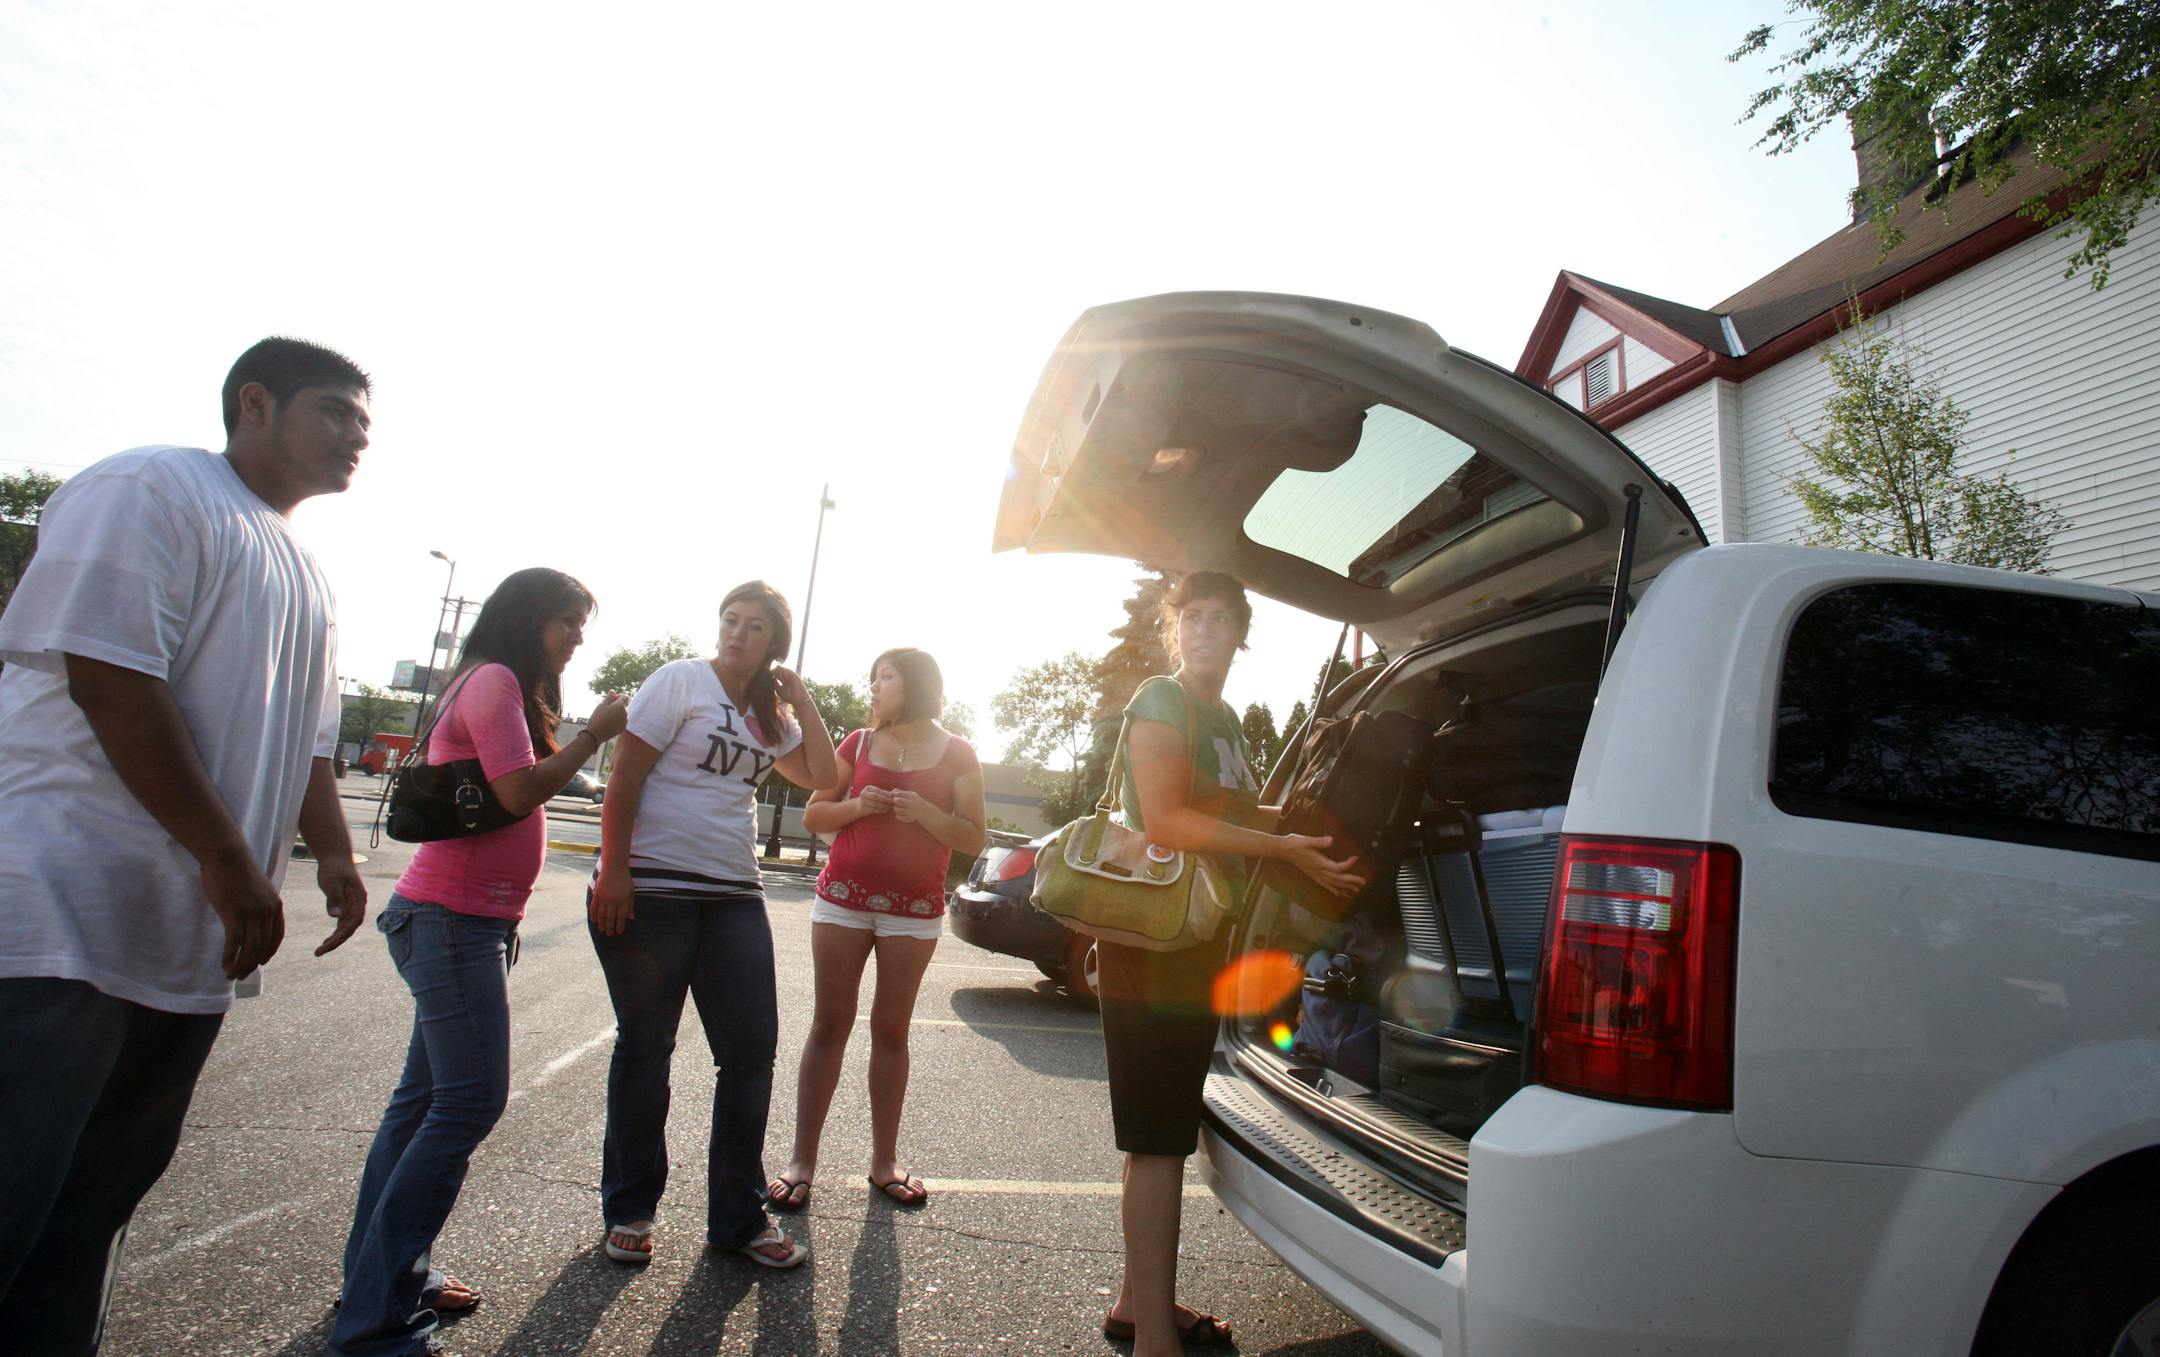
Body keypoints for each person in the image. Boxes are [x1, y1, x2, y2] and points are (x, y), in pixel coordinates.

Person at [0, 337, 374, 1355]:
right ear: (255, 402)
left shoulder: (307, 570)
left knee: (84, 1223)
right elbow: (111, 676)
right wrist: (225, 856)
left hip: (183, 949)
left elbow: (305, 737)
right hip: (55, 920)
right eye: (337, 410)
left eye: (366, 422)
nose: (359, 435)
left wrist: (334, 853)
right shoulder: (149, 486)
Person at [330, 569, 628, 1357]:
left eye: (581, 623)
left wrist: (506, 915)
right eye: (566, 620)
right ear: (527, 618)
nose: (576, 636)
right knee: (465, 1105)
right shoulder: (494, 680)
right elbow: (517, 791)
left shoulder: (498, 681)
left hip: (466, 919)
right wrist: (597, 733)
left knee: (420, 1105)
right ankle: (377, 1324)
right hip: (451, 919)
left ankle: (386, 1277)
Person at [1095, 571, 1367, 1355]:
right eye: (1193, 616)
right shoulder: (1162, 698)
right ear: (1173, 626)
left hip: (1194, 943)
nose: (1206, 629)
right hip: (1151, 942)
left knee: (1162, 1128)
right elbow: (1172, 819)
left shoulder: (1221, 720)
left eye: (1222, 618)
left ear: (1242, 631)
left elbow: (1242, 810)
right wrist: (1281, 846)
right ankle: (1154, 1337)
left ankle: (1134, 1304)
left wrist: (1319, 825)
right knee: (1157, 1139)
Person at [587, 581, 838, 1270]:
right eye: (730, 620)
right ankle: (631, 1208)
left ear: (773, 643)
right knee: (646, 1047)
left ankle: (736, 1215)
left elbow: (825, 775)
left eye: (755, 626)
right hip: (652, 889)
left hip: (733, 893)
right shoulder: (679, 681)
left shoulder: (768, 714)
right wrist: (614, 870)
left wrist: (802, 697)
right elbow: (625, 778)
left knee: (752, 1052)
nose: (737, 634)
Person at [774, 648, 988, 1212]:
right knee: (829, 1025)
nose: (873, 687)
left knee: (891, 1030)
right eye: (873, 677)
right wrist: (858, 808)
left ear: (914, 684)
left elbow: (973, 837)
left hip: (913, 910)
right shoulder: (857, 744)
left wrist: (927, 814)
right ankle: (802, 1161)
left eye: (884, 677)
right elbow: (816, 814)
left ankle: (883, 1161)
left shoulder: (959, 751)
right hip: (842, 900)